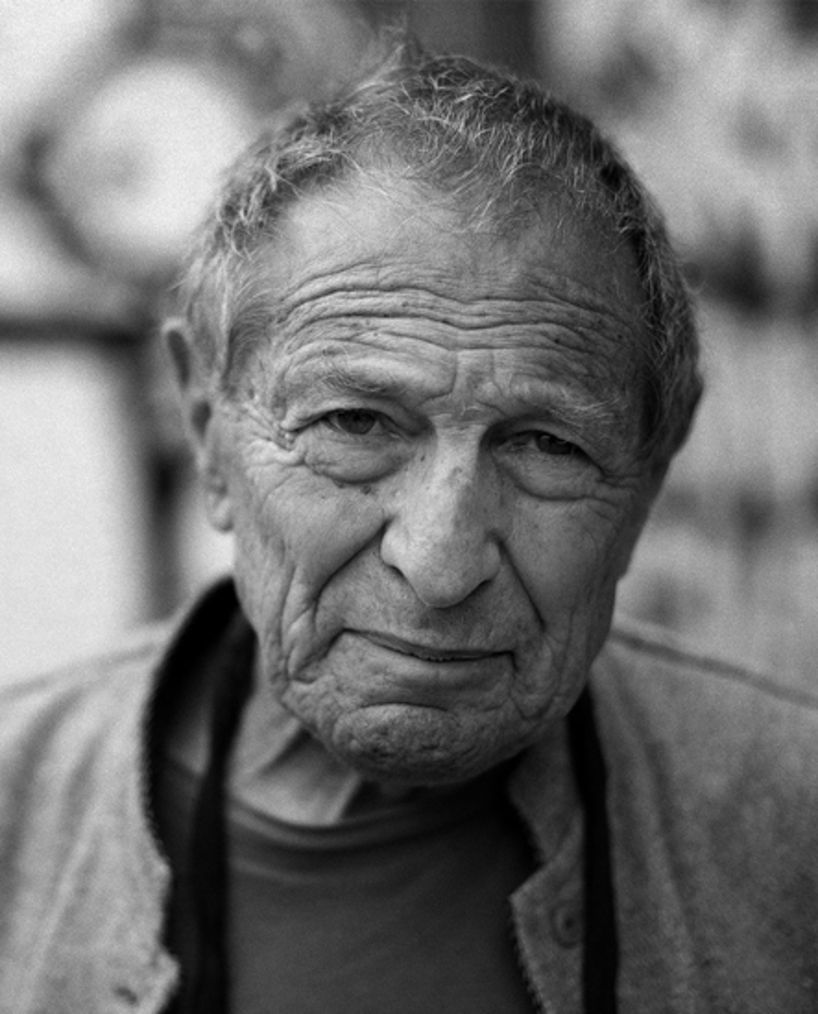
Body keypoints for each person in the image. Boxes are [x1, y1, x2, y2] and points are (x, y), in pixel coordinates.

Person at [2, 37, 818, 1014]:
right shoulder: (17, 813)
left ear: (651, 474)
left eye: (546, 446)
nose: (438, 564)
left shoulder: (790, 824)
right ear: (207, 428)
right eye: (355, 424)